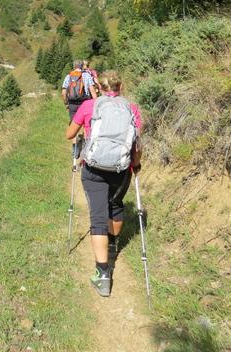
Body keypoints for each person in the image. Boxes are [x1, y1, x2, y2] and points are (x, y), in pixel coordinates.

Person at [65, 70, 143, 297]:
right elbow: (137, 145)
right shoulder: (132, 109)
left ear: (98, 86)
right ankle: (112, 245)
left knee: (98, 217)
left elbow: (69, 135)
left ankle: (103, 275)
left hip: (94, 169)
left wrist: (81, 136)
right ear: (121, 86)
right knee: (116, 205)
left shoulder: (90, 106)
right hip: (121, 169)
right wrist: (135, 165)